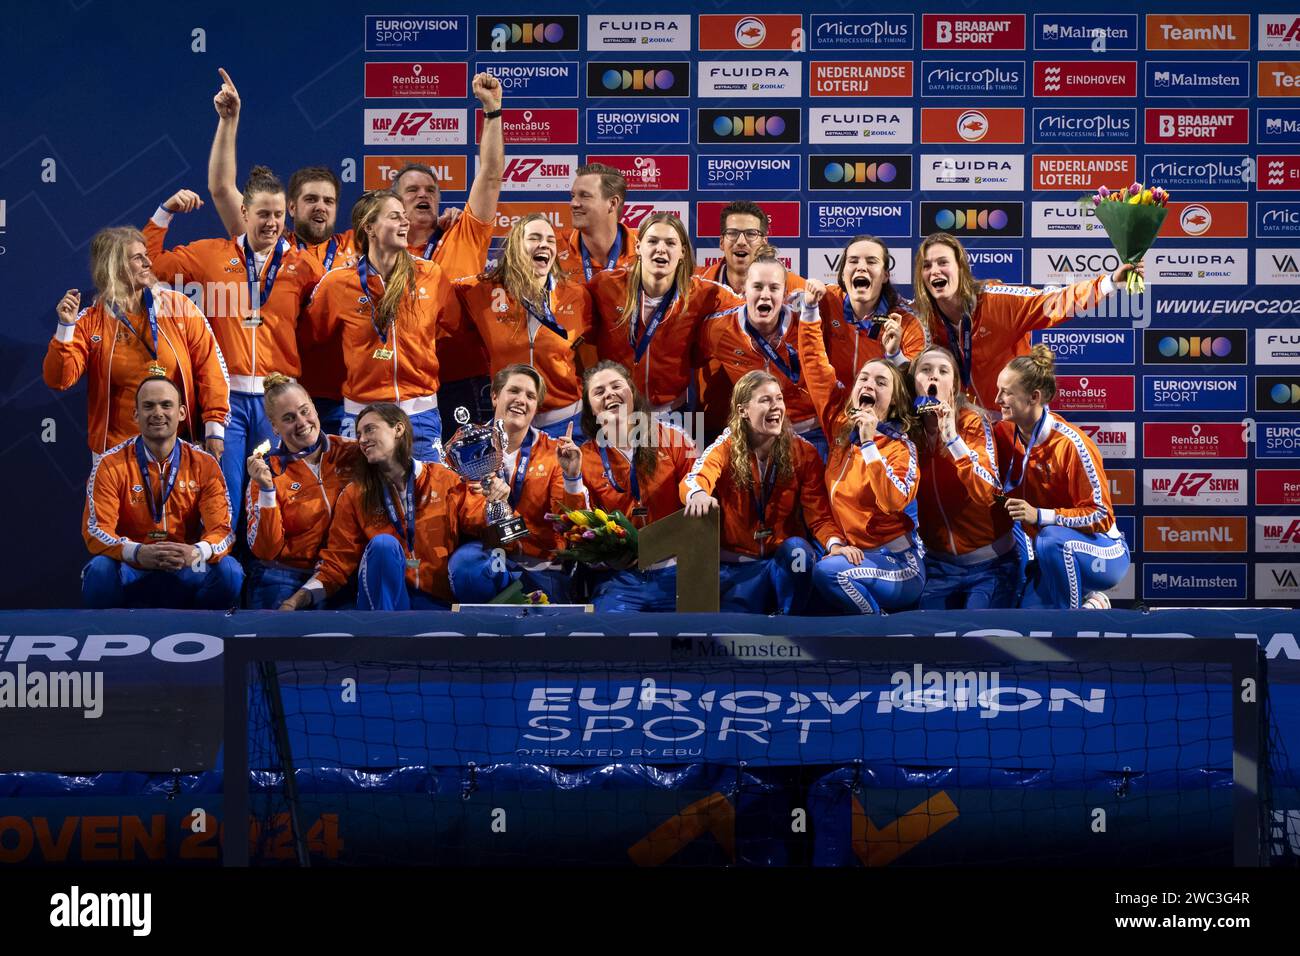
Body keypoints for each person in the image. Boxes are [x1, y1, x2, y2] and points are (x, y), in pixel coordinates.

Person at [143, 166, 319, 536]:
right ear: (244, 214)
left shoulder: (303, 266)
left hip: (279, 401)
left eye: (277, 214)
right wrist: (165, 211)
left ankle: (265, 587)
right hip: (228, 402)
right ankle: (225, 584)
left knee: (278, 500)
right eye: (262, 214)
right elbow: (152, 266)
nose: (271, 223)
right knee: (227, 502)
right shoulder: (209, 255)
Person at [206, 67, 356, 436]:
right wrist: (229, 120)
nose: (320, 207)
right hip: (287, 395)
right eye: (310, 200)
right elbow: (223, 188)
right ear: (291, 207)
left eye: (328, 200)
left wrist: (444, 220)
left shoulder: (357, 245)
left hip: (344, 397)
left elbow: (402, 227)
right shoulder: (270, 242)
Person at [279, 403, 494, 611]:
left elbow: (481, 523)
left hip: (436, 602)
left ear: (398, 429)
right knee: (384, 545)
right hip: (385, 607)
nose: (362, 440)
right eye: (359, 434)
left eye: (370, 429)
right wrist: (296, 601)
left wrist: (496, 502)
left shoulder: (443, 479)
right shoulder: (355, 495)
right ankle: (384, 638)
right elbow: (336, 564)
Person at [44, 226, 229, 457]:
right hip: (116, 454)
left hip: (178, 449)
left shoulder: (179, 308)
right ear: (115, 267)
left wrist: (214, 428)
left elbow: (211, 369)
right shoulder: (91, 322)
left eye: (146, 256)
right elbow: (59, 379)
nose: (148, 263)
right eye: (137, 258)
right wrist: (65, 328)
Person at [301, 190, 456, 462]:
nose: (405, 223)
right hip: (362, 414)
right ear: (369, 227)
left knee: (424, 500)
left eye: (405, 217)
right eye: (395, 217)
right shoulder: (338, 283)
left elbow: (449, 327)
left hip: (419, 415)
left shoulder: (431, 275)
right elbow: (312, 336)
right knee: (361, 500)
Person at [390, 72, 505, 438]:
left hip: (465, 379)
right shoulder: (383, 250)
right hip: (404, 384)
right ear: (394, 203)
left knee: (471, 477)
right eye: (412, 190)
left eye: (431, 189)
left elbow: (489, 176)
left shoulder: (464, 232)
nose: (423, 195)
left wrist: (492, 113)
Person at [912, 231, 1144, 409]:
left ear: (961, 268)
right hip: (967, 426)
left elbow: (1056, 302)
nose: (935, 271)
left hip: (1016, 417)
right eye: (927, 266)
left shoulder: (999, 302)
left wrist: (1109, 282)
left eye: (943, 262)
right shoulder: (922, 319)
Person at [799, 287, 924, 614]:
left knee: (829, 574)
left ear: (894, 401)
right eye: (863, 380)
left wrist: (870, 444)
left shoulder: (900, 447)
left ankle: (878, 638)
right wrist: (837, 543)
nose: (869, 385)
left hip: (900, 565)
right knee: (814, 568)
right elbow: (815, 366)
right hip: (856, 558)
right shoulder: (839, 431)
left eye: (881, 383)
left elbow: (892, 500)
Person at [680, 370, 840, 613]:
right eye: (765, 400)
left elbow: (819, 515)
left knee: (799, 550)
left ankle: (792, 620)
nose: (776, 407)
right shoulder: (727, 446)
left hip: (782, 563)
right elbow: (696, 477)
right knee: (736, 631)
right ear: (743, 410)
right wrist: (698, 494)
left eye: (779, 399)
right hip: (739, 567)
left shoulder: (803, 452)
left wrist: (835, 545)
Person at [81, 377, 242, 608]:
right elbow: (95, 530)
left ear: (182, 413)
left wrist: (196, 552)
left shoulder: (204, 464)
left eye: (166, 405)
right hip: (133, 565)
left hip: (186, 565)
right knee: (100, 570)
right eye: (148, 406)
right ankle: (110, 634)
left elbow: (222, 531)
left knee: (229, 572)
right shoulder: (110, 464)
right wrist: (136, 552)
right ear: (136, 415)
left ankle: (203, 632)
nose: (158, 413)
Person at [994, 346, 1129, 610]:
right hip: (1050, 556)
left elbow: (1102, 515)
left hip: (1104, 550)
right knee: (1028, 619)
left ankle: (1073, 626)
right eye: (998, 389)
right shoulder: (1003, 432)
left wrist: (1041, 516)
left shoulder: (1072, 444)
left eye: (1006, 392)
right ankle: (1089, 603)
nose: (997, 398)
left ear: (1034, 397)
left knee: (1051, 538)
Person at [555, 361, 696, 612]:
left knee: (693, 642)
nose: (609, 394)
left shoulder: (675, 439)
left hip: (678, 572)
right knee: (611, 640)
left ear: (631, 391)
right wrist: (573, 476)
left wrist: (652, 546)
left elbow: (698, 511)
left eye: (616, 386)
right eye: (599, 392)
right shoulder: (583, 457)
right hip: (619, 581)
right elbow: (580, 534)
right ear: (591, 410)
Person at [587, 213, 741, 417]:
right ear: (638, 248)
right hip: (616, 413)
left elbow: (749, 312)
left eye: (670, 243)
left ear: (682, 252)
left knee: (682, 450)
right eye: (652, 241)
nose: (661, 249)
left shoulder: (703, 294)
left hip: (674, 412)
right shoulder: (605, 286)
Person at [452, 214, 592, 438]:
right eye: (534, 238)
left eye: (550, 240)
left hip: (566, 422)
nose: (544, 244)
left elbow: (592, 352)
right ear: (516, 246)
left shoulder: (576, 295)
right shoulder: (480, 291)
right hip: (510, 421)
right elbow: (433, 285)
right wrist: (443, 229)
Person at [448, 365, 575, 604]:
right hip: (490, 556)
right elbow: (467, 518)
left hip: (541, 564)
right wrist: (495, 508)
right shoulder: (466, 447)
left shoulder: (554, 453)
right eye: (514, 391)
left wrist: (573, 479)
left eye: (530, 396)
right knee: (466, 566)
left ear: (536, 406)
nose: (521, 400)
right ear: (495, 396)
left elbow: (563, 524)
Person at [908, 346, 1019, 609]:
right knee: (928, 641)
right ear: (913, 382)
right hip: (938, 567)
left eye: (943, 371)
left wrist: (954, 441)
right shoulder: (908, 431)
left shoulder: (971, 422)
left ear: (955, 385)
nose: (933, 377)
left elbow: (987, 492)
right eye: (925, 370)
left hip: (991, 566)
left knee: (979, 639)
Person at [244, 373, 360, 609]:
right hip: (284, 577)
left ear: (315, 409)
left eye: (305, 411)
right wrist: (267, 490)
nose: (301, 422)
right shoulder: (268, 472)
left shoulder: (351, 452)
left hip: (343, 573)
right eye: (288, 418)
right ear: (274, 427)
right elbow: (266, 550)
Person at [698, 246, 827, 458]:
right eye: (757, 287)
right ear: (743, 290)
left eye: (774, 288)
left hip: (809, 432)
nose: (765, 295)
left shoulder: (807, 323)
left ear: (784, 293)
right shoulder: (718, 328)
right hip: (753, 435)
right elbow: (689, 358)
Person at [693, 201, 805, 437]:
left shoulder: (794, 288)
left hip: (777, 420)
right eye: (732, 233)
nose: (741, 241)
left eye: (751, 234)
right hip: (714, 415)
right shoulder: (699, 289)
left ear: (764, 241)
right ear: (721, 242)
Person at [815, 234, 928, 386]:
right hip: (832, 407)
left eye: (871, 261)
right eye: (853, 261)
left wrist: (894, 354)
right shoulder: (824, 301)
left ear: (885, 276)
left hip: (880, 408)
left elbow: (917, 386)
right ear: (842, 273)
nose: (861, 267)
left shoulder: (906, 322)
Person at [556, 162, 638, 281]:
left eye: (584, 196)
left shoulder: (647, 247)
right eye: (573, 196)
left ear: (612, 203)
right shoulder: (552, 249)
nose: (573, 203)